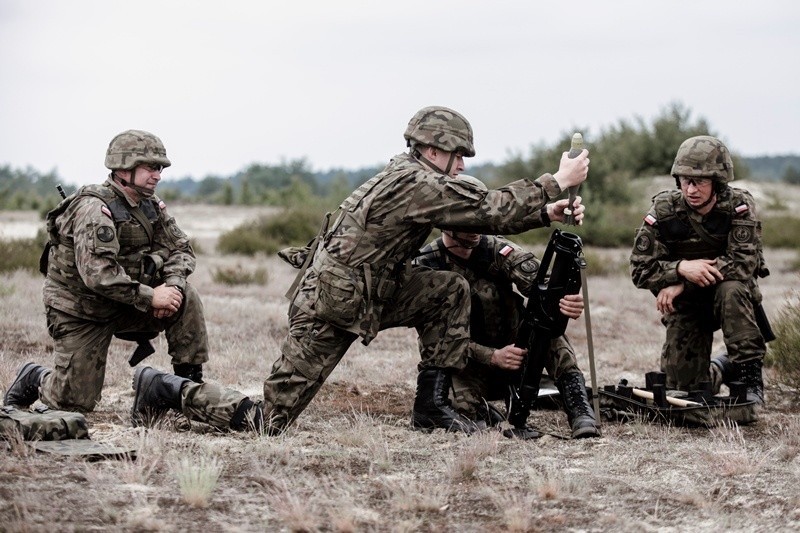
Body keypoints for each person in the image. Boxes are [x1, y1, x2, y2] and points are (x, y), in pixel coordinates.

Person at [130, 105, 590, 435]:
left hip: (371, 293)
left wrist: (547, 213)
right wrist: (555, 183)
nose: (463, 165)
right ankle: (163, 389)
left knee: (447, 290)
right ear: (435, 150)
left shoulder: (414, 177)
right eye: (460, 156)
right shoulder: (415, 182)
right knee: (268, 422)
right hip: (332, 305)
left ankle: (431, 408)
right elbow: (487, 209)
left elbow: (473, 216)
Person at [3, 130, 208, 413]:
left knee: (185, 296)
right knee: (74, 402)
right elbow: (99, 275)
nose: (157, 175)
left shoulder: (150, 206)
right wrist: (151, 297)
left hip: (125, 303)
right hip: (81, 311)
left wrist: (170, 286)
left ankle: (187, 391)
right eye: (150, 167)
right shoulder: (93, 209)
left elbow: (181, 249)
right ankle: (35, 377)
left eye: (159, 168)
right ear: (124, 167)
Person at [414, 209, 600, 439]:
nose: (476, 232)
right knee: (457, 411)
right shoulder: (426, 264)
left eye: (480, 223)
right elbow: (435, 343)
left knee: (546, 324)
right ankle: (486, 410)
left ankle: (579, 408)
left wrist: (564, 301)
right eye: (468, 225)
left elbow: (539, 285)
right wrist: (492, 356)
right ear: (445, 225)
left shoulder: (496, 249)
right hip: (467, 362)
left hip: (516, 350)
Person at [630, 135, 769, 405]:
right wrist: (681, 268)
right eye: (685, 181)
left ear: (717, 182)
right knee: (685, 390)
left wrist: (684, 281)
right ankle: (722, 368)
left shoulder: (738, 207)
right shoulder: (664, 209)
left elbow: (743, 264)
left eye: (700, 181)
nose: (691, 189)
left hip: (728, 298)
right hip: (688, 306)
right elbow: (639, 270)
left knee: (733, 289)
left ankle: (752, 380)